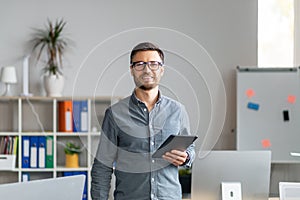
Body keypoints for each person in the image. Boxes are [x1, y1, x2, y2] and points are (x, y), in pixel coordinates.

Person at [91, 42, 195, 200]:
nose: (147, 70)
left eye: (153, 64)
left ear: (162, 69)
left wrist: (186, 157)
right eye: (140, 64)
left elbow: (190, 149)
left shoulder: (178, 111)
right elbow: (102, 167)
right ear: (131, 70)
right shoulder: (115, 114)